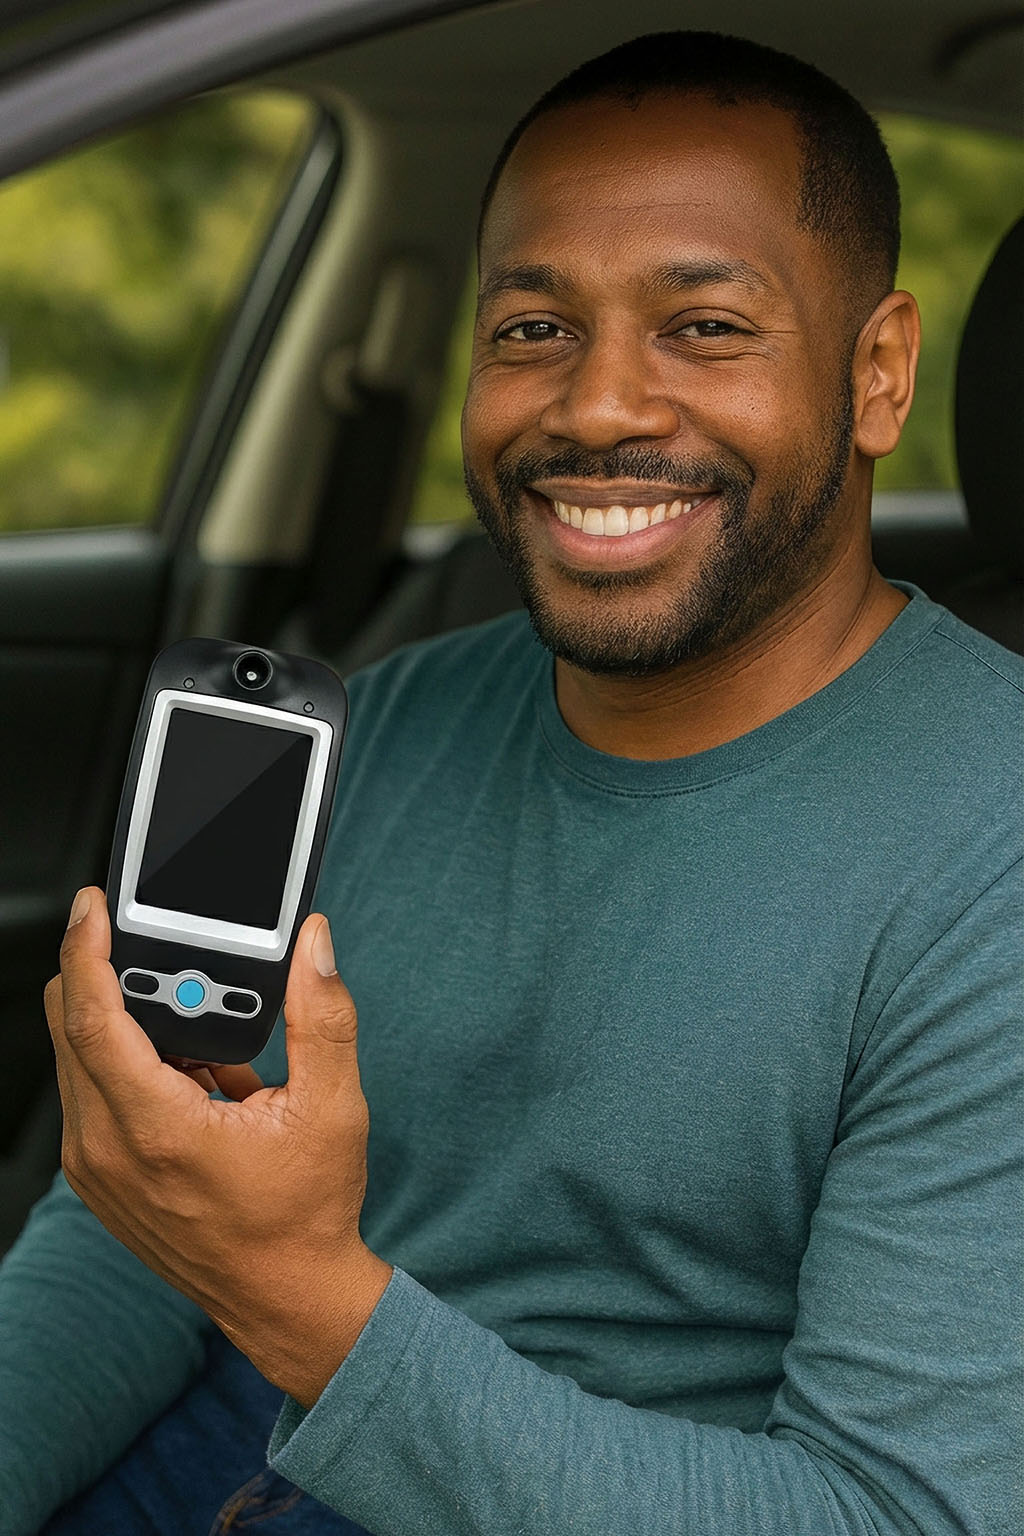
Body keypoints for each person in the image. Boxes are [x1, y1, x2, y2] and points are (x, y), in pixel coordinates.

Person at [1, 29, 1021, 1536]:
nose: (600, 406)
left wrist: (306, 1308)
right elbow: (146, 1228)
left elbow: (893, 1515)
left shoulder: (992, 838)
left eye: (706, 327)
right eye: (534, 329)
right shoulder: (391, 721)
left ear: (877, 376)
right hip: (222, 1423)